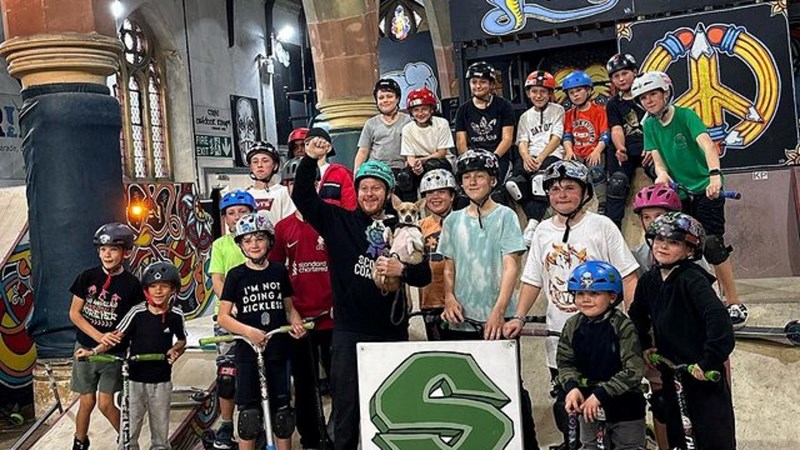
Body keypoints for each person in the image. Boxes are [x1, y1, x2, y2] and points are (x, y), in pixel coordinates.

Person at [293, 135, 431, 450]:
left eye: (376, 188)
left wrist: (402, 269)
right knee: (346, 414)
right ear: (356, 192)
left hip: (391, 333)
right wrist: (309, 160)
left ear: (388, 193)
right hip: (349, 334)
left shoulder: (403, 228)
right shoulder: (337, 221)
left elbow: (423, 275)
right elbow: (303, 197)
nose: (369, 193)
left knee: (392, 410)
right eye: (364, 188)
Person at [503, 160, 638, 450]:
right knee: (568, 407)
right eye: (554, 189)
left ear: (585, 192)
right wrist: (519, 316)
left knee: (610, 409)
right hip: (562, 338)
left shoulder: (602, 226)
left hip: (604, 337)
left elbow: (628, 276)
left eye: (569, 188)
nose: (561, 194)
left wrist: (637, 321)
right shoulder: (543, 231)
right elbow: (532, 280)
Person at [438, 149, 539, 449]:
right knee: (464, 391)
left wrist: (499, 310)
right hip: (461, 321)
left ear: (492, 180)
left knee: (510, 388)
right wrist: (449, 298)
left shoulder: (506, 216)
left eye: (479, 176)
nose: (472, 182)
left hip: (499, 321)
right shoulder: (452, 221)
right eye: (467, 177)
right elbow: (448, 267)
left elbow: (511, 266)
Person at [632, 70, 748, 328]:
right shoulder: (649, 125)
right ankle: (694, 299)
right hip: (681, 192)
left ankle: (733, 302)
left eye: (653, 94)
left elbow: (707, 145)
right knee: (682, 246)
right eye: (643, 97)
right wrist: (662, 174)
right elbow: (657, 158)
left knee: (712, 244)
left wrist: (714, 176)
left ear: (666, 93)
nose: (648, 101)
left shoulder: (686, 115)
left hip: (707, 188)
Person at [629, 212, 736, 450]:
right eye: (659, 239)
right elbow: (637, 315)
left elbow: (719, 321)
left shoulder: (693, 279)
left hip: (701, 374)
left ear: (689, 249)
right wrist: (645, 345)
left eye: (674, 242)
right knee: (677, 436)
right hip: (672, 372)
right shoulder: (649, 280)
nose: (663, 246)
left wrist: (708, 361)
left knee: (713, 436)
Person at [217, 213, 307, 450]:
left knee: (282, 414)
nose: (254, 245)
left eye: (259, 239)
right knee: (249, 416)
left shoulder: (278, 271)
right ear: (241, 245)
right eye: (247, 240)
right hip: (248, 354)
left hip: (277, 351)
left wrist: (296, 322)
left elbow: (289, 308)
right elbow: (223, 317)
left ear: (269, 241)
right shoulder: (236, 275)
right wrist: (249, 332)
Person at [76, 261, 187, 450]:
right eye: (153, 286)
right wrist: (93, 351)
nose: (158, 291)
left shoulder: (176, 314)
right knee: (129, 431)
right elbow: (115, 337)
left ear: (173, 289)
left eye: (164, 286)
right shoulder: (137, 312)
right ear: (146, 290)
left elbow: (182, 340)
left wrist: (175, 349)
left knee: (160, 432)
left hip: (161, 380)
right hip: (135, 380)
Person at [270, 157, 335, 448]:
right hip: (300, 320)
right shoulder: (283, 228)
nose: (299, 187)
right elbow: (278, 275)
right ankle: (311, 439)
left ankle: (340, 436)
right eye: (292, 183)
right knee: (306, 385)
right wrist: (291, 312)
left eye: (307, 182)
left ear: (317, 185)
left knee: (341, 382)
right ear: (287, 187)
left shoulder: (332, 220)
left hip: (333, 317)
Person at [68, 223, 143, 450]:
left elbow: (133, 319)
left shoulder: (132, 285)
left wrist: (114, 339)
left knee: (105, 404)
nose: (107, 254)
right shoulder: (87, 277)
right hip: (85, 348)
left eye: (113, 249)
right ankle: (80, 441)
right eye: (103, 249)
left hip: (114, 353)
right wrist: (99, 336)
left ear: (125, 253)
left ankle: (128, 441)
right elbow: (74, 313)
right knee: (86, 401)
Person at [557, 261, 646, 450]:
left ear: (612, 296)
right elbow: (565, 363)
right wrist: (572, 387)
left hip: (625, 408)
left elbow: (634, 370)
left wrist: (601, 394)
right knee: (589, 446)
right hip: (587, 406)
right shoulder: (572, 325)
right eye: (580, 294)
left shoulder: (623, 326)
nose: (586, 299)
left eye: (594, 293)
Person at [208, 190, 257, 449]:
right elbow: (217, 279)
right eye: (231, 213)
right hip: (228, 316)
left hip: (257, 314)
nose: (237, 217)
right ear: (224, 218)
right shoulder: (221, 245)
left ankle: (257, 421)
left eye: (242, 211)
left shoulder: (260, 241)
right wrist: (230, 303)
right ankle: (226, 424)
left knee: (256, 372)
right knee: (227, 377)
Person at [505, 70, 565, 245]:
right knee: (513, 185)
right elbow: (522, 141)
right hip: (529, 156)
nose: (538, 95)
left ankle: (532, 225)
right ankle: (534, 218)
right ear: (528, 93)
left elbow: (556, 138)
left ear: (550, 93)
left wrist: (540, 158)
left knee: (539, 182)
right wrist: (525, 157)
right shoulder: (525, 116)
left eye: (543, 91)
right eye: (534, 91)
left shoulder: (558, 110)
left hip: (551, 155)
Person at [455, 61, 516, 204]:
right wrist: (470, 159)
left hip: (498, 156)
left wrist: (492, 158)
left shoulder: (504, 106)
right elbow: (461, 142)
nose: (478, 86)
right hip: (473, 158)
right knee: (464, 198)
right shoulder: (463, 110)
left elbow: (507, 139)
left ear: (492, 84)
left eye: (482, 82)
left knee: (496, 195)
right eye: (474, 82)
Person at [605, 54, 650, 229]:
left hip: (649, 146)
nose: (621, 79)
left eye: (625, 73)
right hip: (627, 148)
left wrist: (652, 148)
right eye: (616, 76)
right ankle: (612, 229)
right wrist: (620, 148)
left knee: (663, 176)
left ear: (635, 72)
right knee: (617, 182)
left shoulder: (647, 95)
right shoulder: (613, 103)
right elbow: (616, 128)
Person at [561, 70, 610, 214]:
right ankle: (574, 205)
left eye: (579, 90)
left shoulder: (599, 111)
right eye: (571, 93)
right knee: (569, 173)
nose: (575, 95)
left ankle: (602, 203)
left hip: (594, 150)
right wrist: (569, 151)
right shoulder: (569, 114)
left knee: (596, 172)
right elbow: (567, 136)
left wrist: (597, 151)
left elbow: (605, 135)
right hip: (577, 153)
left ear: (588, 90)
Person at [417, 168, 457, 340]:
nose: (435, 197)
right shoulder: (418, 227)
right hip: (430, 303)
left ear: (452, 196)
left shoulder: (464, 221)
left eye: (441, 191)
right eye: (430, 193)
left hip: (462, 302)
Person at [399, 87, 455, 200]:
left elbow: (441, 153)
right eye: (416, 110)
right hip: (418, 162)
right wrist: (414, 166)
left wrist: (422, 161)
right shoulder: (407, 129)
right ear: (411, 112)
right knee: (404, 176)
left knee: (431, 165)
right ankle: (413, 207)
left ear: (431, 109)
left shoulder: (442, 123)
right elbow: (409, 156)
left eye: (424, 109)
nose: (420, 113)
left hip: (441, 160)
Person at [355, 78, 411, 175]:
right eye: (381, 98)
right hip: (376, 170)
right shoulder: (370, 123)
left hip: (400, 169)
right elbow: (363, 151)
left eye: (389, 96)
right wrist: (356, 173)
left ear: (397, 99)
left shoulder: (408, 121)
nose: (385, 100)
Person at [303, 127, 357, 211]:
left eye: (317, 142)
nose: (312, 146)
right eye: (307, 144)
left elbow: (350, 205)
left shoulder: (340, 173)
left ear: (328, 147)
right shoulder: (300, 172)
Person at [245, 140, 297, 225]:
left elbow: (290, 223)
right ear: (250, 167)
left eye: (265, 161)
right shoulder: (245, 195)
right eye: (255, 162)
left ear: (275, 165)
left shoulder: (284, 192)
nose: (259, 165)